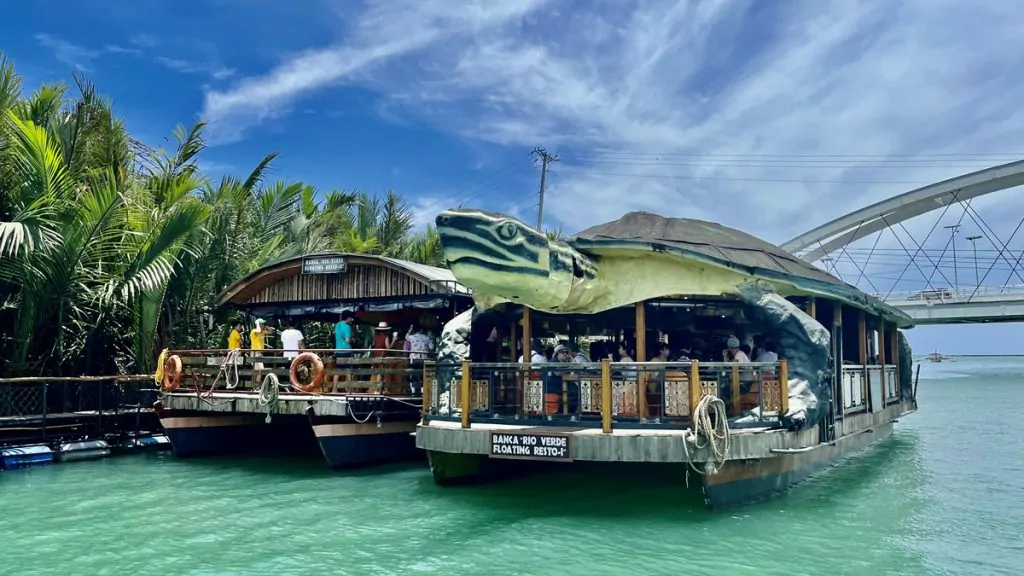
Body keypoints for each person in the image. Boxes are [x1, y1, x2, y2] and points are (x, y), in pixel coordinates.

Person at [332, 311, 356, 392]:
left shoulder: (337, 325)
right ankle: (349, 390)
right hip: (346, 351)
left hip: (338, 351)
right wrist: (352, 340)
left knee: (337, 371)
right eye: (351, 318)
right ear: (348, 318)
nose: (352, 320)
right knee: (348, 371)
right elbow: (347, 340)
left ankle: (334, 390)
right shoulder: (347, 327)